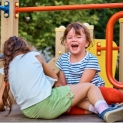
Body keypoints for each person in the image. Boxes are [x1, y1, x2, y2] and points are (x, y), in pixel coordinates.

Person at [2, 36, 123, 122]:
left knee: (69, 95)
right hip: (47, 106)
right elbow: (54, 78)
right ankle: (105, 111)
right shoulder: (35, 56)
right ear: (25, 47)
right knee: (90, 87)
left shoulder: (6, 68)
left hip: (28, 112)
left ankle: (97, 109)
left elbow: (2, 102)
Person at [56, 22, 123, 114]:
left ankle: (92, 106)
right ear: (66, 43)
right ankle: (96, 108)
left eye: (78, 37)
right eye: (70, 37)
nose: (73, 39)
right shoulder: (63, 59)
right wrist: (62, 96)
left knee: (115, 95)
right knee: (60, 102)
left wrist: (68, 98)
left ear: (86, 43)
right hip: (74, 94)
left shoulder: (91, 59)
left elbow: (83, 85)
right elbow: (61, 84)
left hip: (93, 92)